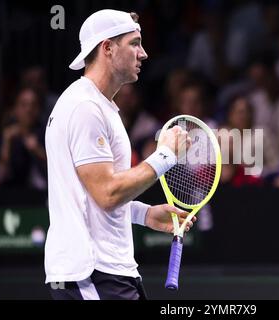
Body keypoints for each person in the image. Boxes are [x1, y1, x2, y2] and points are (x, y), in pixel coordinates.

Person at [44, 10, 195, 300]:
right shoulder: (84, 107)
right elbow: (107, 193)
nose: (145, 53)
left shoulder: (100, 106)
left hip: (109, 273)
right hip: (91, 274)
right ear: (107, 48)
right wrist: (166, 155)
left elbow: (91, 199)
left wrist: (145, 214)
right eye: (135, 43)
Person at [0, 87, 47, 189]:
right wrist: (6, 143)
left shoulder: (46, 131)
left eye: (33, 105)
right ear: (15, 109)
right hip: (15, 196)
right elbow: (0, 176)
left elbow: (58, 168)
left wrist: (37, 150)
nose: (29, 109)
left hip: (43, 196)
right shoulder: (9, 135)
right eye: (24, 105)